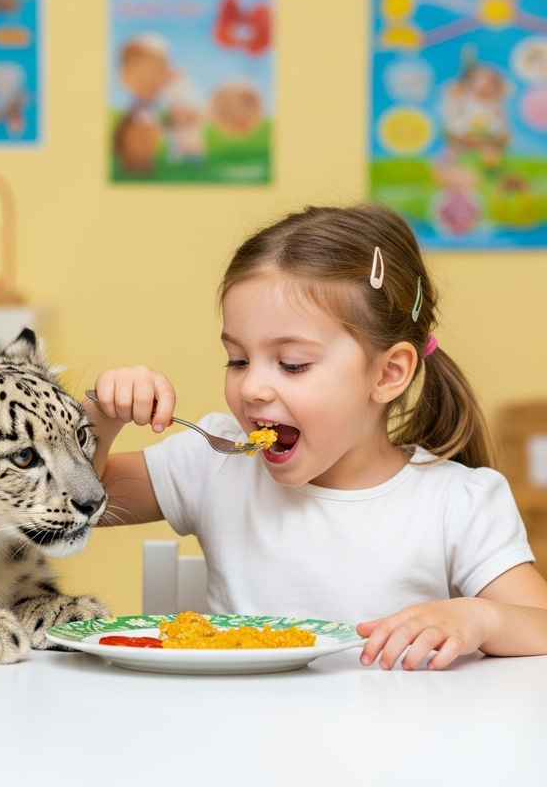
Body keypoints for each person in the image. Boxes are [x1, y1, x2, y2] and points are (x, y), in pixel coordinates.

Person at [84, 203, 547, 670]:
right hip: (242, 734)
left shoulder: (458, 503)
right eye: (238, 360)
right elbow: (71, 503)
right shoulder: (214, 462)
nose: (251, 388)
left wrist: (478, 618)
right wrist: (100, 419)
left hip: (397, 738)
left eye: (292, 364)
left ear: (388, 373)